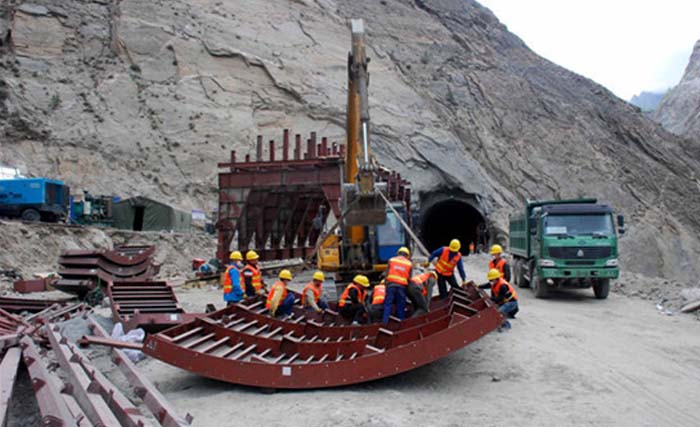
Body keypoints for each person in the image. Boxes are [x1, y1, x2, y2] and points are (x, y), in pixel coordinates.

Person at [382, 247, 413, 323]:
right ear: (407, 255)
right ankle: (401, 323)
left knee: (388, 304)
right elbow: (409, 278)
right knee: (401, 306)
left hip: (391, 285)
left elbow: (387, 274)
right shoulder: (409, 264)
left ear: (398, 253)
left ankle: (385, 322)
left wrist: (386, 285)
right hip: (402, 287)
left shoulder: (392, 260)